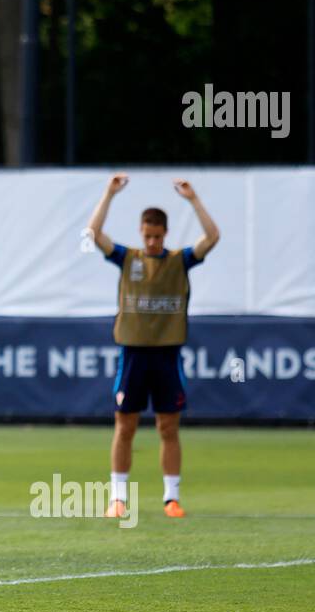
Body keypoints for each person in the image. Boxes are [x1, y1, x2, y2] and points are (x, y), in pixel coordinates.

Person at [86, 173, 220, 519]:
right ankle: (118, 498)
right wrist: (109, 194)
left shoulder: (179, 261)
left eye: (157, 236)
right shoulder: (128, 258)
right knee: (125, 425)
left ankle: (170, 498)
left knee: (167, 426)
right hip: (132, 353)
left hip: (166, 353)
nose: (151, 242)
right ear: (140, 233)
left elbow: (212, 236)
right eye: (147, 236)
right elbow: (95, 234)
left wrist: (193, 200)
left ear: (165, 234)